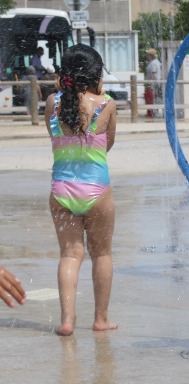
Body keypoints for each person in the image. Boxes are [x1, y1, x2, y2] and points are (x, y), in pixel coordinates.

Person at [44, 44, 118, 336]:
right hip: (97, 189)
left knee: (69, 254)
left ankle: (67, 320)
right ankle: (100, 319)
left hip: (61, 189)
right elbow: (109, 143)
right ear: (97, 76)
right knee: (101, 254)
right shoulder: (107, 104)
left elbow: (54, 136)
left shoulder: (52, 102)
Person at [144, 48, 162, 118]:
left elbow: (153, 74)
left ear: (151, 55)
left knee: (154, 98)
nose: (147, 56)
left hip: (154, 83)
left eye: (148, 54)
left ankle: (154, 112)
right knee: (154, 97)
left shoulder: (154, 63)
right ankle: (154, 112)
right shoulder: (156, 62)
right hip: (155, 83)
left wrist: (151, 84)